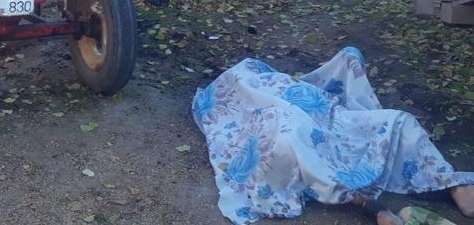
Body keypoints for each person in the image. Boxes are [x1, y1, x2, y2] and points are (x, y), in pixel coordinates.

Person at [192, 47, 474, 224]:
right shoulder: (227, 91)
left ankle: (450, 182)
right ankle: (371, 208)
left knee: (398, 120)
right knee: (289, 137)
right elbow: (234, 117)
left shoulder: (259, 73)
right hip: (281, 117)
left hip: (327, 115)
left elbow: (309, 86)